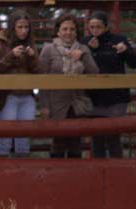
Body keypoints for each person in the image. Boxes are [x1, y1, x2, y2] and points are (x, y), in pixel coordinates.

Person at [39, 14, 98, 158]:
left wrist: (83, 56)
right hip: (56, 102)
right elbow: (41, 79)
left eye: (72, 29)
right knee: (58, 141)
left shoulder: (83, 48)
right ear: (58, 32)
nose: (68, 32)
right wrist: (44, 105)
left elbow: (95, 73)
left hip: (77, 101)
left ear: (76, 32)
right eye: (64, 29)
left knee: (75, 142)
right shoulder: (48, 49)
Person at [82, 11, 136, 158]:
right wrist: (90, 50)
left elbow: (135, 63)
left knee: (113, 137)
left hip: (116, 97)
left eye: (98, 27)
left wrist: (126, 51)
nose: (95, 30)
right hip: (94, 96)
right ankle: (97, 172)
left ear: (106, 27)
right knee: (97, 139)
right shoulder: (85, 42)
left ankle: (118, 170)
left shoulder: (119, 40)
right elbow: (80, 66)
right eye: (91, 27)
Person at [0, 9, 39, 157]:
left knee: (24, 139)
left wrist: (32, 58)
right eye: (20, 27)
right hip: (7, 96)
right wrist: (10, 56)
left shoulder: (30, 43)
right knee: (5, 138)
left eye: (26, 27)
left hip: (27, 95)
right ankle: (0, 174)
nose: (24, 31)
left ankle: (23, 174)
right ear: (12, 27)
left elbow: (39, 71)